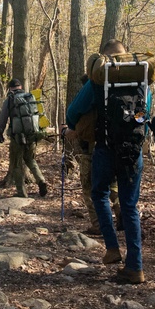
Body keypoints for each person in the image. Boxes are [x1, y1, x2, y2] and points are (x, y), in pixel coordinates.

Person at [65, 39, 149, 284]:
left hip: (105, 149)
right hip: (133, 151)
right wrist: (131, 127)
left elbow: (73, 111)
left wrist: (75, 127)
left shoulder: (98, 81)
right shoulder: (141, 79)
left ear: (104, 58)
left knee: (99, 193)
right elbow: (145, 113)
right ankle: (135, 267)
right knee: (130, 206)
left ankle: (112, 248)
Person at [61, 74, 120, 236]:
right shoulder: (117, 93)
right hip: (117, 148)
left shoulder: (87, 103)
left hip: (91, 150)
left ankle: (98, 224)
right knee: (113, 185)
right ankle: (122, 215)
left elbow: (72, 116)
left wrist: (68, 130)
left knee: (90, 188)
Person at [0, 79, 48, 199]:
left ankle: (21, 193)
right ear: (20, 86)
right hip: (32, 135)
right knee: (30, 160)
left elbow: (2, 120)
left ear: (10, 88)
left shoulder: (10, 100)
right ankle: (41, 180)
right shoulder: (30, 97)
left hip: (17, 138)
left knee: (16, 164)